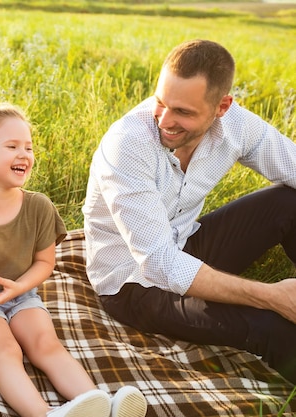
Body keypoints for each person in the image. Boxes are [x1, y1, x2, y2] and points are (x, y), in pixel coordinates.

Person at [82, 39, 296, 384]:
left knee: (289, 203)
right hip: (133, 284)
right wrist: (272, 297)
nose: (165, 120)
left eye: (182, 111)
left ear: (222, 106)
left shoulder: (236, 125)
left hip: (186, 245)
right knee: (272, 324)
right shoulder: (128, 144)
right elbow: (160, 263)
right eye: (161, 102)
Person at [0, 103, 147, 417]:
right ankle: (44, 414)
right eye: (12, 146)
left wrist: (18, 288)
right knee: (7, 350)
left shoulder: (39, 207)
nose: (24, 154)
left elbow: (45, 263)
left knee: (47, 345)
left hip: (23, 293)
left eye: (28, 147)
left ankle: (101, 405)